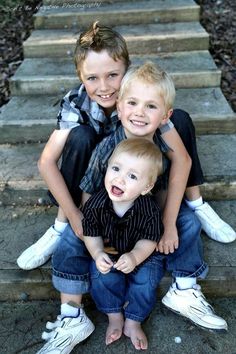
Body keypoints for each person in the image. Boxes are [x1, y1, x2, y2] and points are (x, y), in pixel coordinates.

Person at [36, 62, 227, 354]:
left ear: (165, 117)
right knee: (71, 239)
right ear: (120, 108)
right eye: (133, 104)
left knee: (188, 222)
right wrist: (93, 235)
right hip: (109, 215)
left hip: (151, 219)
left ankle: (184, 289)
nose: (139, 112)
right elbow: (88, 194)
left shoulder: (164, 140)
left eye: (150, 106)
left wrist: (169, 222)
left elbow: (183, 164)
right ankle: (72, 315)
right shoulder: (107, 147)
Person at [16, 22, 235, 272]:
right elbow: (46, 162)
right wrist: (76, 216)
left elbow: (182, 160)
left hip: (138, 164)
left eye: (112, 75)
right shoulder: (77, 103)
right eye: (92, 78)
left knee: (180, 119)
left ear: (126, 69)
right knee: (79, 137)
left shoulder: (137, 103)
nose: (104, 87)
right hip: (102, 171)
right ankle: (60, 226)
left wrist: (168, 220)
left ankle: (197, 204)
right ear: (80, 77)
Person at [83, 138, 164, 350]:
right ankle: (114, 316)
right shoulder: (96, 204)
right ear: (107, 167)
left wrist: (135, 257)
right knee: (99, 273)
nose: (119, 179)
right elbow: (90, 232)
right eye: (116, 168)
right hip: (110, 251)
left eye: (132, 176)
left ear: (146, 187)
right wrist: (97, 252)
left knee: (147, 278)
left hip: (143, 255)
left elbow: (150, 239)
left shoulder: (149, 209)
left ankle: (134, 321)